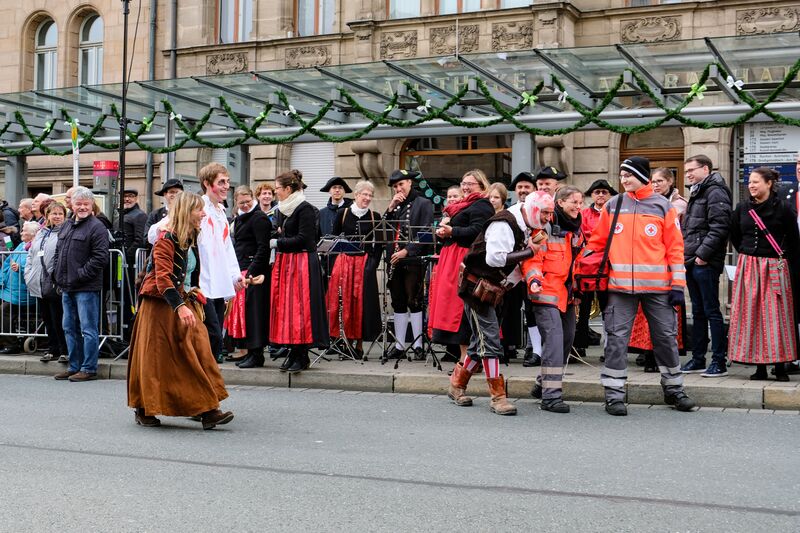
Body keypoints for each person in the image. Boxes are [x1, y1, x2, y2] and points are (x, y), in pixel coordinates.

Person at [581, 156, 695, 416]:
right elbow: (597, 244)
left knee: (665, 338)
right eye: (621, 175)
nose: (623, 179)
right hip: (619, 289)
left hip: (659, 289)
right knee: (617, 340)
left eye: (627, 175)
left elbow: (676, 249)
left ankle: (674, 389)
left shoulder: (663, 206)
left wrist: (678, 284)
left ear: (641, 176)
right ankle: (614, 394)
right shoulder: (613, 204)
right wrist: (584, 267)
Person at [127, 191, 234, 430]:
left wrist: (196, 291)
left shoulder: (190, 236)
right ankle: (144, 407)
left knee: (199, 350)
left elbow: (189, 272)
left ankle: (207, 408)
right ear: (187, 211)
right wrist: (180, 307)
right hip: (160, 305)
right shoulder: (166, 238)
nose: (203, 213)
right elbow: (163, 278)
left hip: (182, 302)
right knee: (156, 359)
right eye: (199, 209)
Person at [447, 192, 543, 415]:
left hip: (492, 289)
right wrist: (529, 251)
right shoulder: (504, 223)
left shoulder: (524, 224)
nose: (548, 218)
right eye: (545, 213)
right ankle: (498, 397)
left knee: (478, 342)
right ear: (533, 210)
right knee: (489, 340)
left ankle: (456, 385)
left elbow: (516, 268)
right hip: (476, 289)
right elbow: (494, 259)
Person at [728, 167, 800, 381]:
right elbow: (735, 234)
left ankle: (779, 365)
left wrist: (790, 268)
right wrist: (749, 255)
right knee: (752, 316)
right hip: (749, 267)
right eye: (749, 182)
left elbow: (795, 242)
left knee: (777, 317)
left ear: (769, 183)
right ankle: (758, 366)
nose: (751, 185)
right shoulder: (742, 208)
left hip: (776, 268)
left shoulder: (784, 209)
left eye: (756, 182)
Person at [523, 187, 585, 413]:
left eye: (580, 202)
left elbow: (576, 264)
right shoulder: (543, 229)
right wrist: (534, 281)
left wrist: (577, 291)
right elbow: (532, 260)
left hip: (566, 295)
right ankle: (550, 397)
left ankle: (542, 384)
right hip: (545, 292)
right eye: (573, 202)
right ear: (559, 203)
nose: (578, 206)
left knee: (567, 340)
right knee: (555, 341)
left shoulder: (576, 230)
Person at [429, 170, 494, 363]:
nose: (465, 187)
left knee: (461, 307)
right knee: (452, 307)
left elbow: (478, 231)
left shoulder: (482, 205)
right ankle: (463, 357)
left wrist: (452, 231)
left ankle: (467, 359)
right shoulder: (459, 206)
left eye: (470, 184)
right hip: (451, 258)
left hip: (465, 260)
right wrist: (444, 233)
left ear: (481, 186)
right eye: (463, 183)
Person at [629, 168, 690, 371]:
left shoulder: (677, 204)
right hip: (645, 269)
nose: (655, 185)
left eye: (660, 181)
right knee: (644, 317)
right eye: (653, 181)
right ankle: (647, 354)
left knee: (664, 320)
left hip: (666, 269)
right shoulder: (642, 202)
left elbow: (677, 240)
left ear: (670, 181)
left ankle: (662, 358)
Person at [269, 169, 328, 372]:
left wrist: (278, 241)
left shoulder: (305, 209)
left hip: (302, 262)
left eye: (277, 188)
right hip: (288, 263)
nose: (275, 191)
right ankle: (293, 351)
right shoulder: (283, 208)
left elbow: (306, 239)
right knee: (288, 309)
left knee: (301, 310)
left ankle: (301, 353)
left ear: (288, 188)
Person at [679, 155, 732, 378]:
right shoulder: (698, 190)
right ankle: (698, 359)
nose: (688, 174)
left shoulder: (715, 190)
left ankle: (719, 361)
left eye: (692, 170)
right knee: (698, 312)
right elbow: (692, 228)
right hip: (692, 259)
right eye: (687, 170)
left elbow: (720, 226)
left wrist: (702, 255)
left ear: (706, 169)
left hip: (705, 261)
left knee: (712, 312)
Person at [52, 186, 109, 382]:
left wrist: (79, 275)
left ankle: (88, 368)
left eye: (86, 204)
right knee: (69, 328)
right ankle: (74, 366)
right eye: (79, 204)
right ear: (72, 205)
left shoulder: (97, 227)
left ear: (92, 205)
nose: (82, 207)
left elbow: (100, 258)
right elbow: (59, 252)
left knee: (88, 329)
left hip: (86, 287)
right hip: (67, 287)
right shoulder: (67, 225)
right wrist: (56, 275)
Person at [327, 180, 383, 358]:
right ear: (356, 195)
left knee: (361, 304)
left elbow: (380, 244)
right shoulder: (343, 214)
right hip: (344, 264)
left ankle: (359, 344)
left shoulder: (375, 216)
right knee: (343, 302)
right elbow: (334, 240)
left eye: (370, 195)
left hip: (364, 264)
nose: (367, 198)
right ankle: (344, 342)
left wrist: (372, 264)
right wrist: (337, 263)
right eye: (364, 194)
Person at [383, 169, 434, 360]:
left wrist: (407, 250)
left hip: (413, 260)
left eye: (401, 184)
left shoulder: (423, 203)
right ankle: (399, 345)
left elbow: (426, 233)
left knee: (414, 300)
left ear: (410, 183)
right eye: (395, 186)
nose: (398, 188)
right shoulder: (395, 205)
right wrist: (390, 208)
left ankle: (418, 345)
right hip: (394, 260)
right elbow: (383, 231)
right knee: (398, 302)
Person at [197, 163, 245, 363]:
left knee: (216, 338)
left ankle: (206, 380)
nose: (226, 186)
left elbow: (227, 249)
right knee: (212, 334)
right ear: (208, 184)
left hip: (218, 283)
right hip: (201, 283)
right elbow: (157, 230)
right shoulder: (198, 207)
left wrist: (235, 275)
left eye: (227, 182)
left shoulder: (221, 214)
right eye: (221, 182)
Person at [227, 185, 272, 369]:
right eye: (241, 203)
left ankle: (257, 354)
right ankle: (249, 352)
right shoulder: (239, 219)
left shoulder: (259, 218)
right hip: (242, 269)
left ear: (253, 198)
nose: (245, 205)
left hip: (255, 272)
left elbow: (263, 248)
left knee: (255, 314)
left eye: (247, 202)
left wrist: (251, 272)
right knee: (247, 314)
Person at [574, 179, 616, 358]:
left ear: (610, 195)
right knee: (583, 309)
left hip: (609, 266)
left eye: (604, 192)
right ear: (591, 195)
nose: (600, 195)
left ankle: (609, 347)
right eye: (597, 192)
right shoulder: (582, 215)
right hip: (587, 267)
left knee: (609, 308)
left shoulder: (616, 214)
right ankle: (580, 345)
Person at [501, 171, 538, 364]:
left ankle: (534, 348)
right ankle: (508, 345)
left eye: (527, 187)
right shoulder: (510, 212)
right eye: (520, 187)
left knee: (533, 310)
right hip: (514, 268)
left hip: (534, 267)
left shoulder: (540, 210)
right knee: (509, 308)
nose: (523, 190)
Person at [25, 203, 68, 363]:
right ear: (47, 215)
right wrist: (28, 274)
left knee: (59, 318)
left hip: (55, 282)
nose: (57, 216)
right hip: (38, 282)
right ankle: (52, 349)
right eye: (54, 213)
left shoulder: (66, 232)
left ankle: (64, 350)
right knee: (47, 318)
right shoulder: (41, 233)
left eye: (60, 214)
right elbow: (31, 254)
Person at [0, 221, 36, 354]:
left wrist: (20, 269)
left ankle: (11, 344)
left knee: (4, 310)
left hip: (23, 292)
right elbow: (7, 263)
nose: (21, 233)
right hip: (10, 289)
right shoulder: (21, 245)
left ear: (32, 234)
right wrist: (1, 280)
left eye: (24, 231)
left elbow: (32, 269)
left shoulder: (33, 247)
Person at [144, 178, 184, 246]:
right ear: (165, 194)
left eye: (177, 192)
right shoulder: (155, 214)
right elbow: (146, 239)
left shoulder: (186, 213)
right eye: (171, 192)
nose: (174, 195)